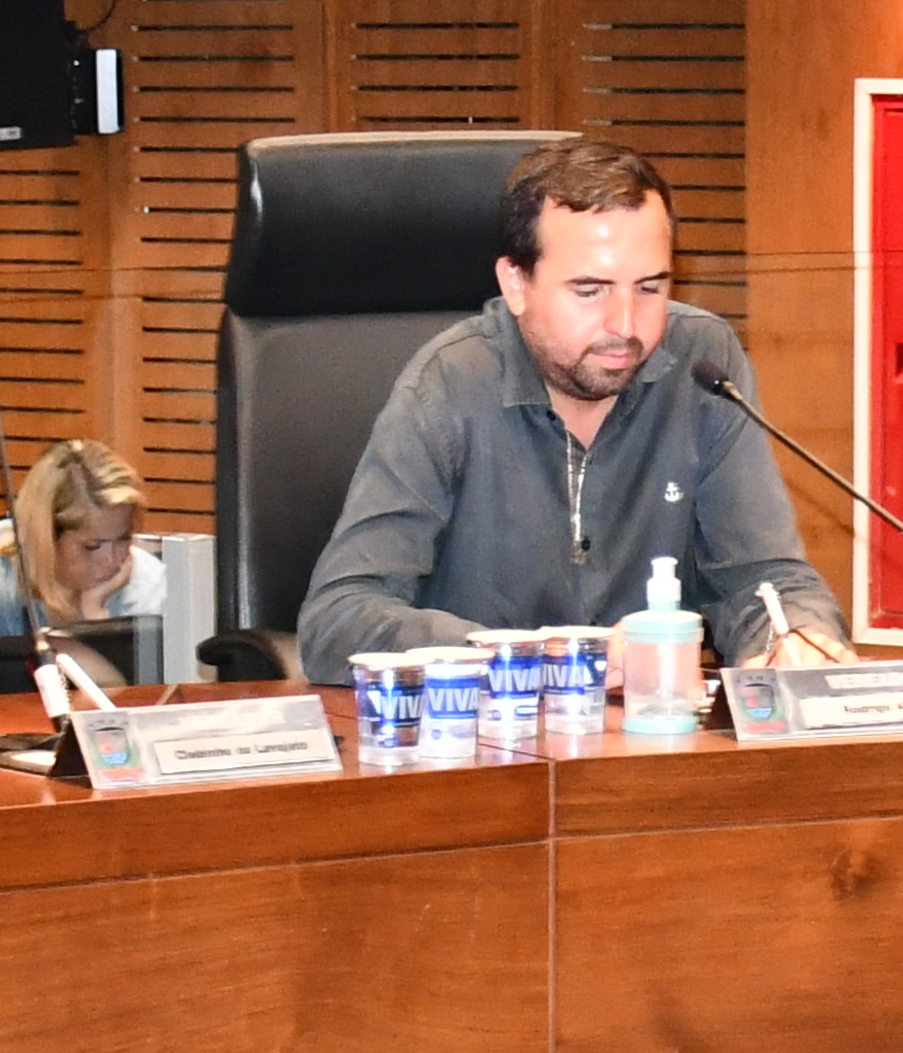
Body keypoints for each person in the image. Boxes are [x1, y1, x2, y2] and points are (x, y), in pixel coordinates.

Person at [296, 135, 853, 672]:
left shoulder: (702, 366)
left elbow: (765, 579)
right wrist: (560, 658)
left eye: (650, 288)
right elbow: (339, 620)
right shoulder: (448, 386)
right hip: (485, 724)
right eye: (590, 291)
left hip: (648, 725)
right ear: (516, 284)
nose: (626, 325)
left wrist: (796, 641)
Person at [0, 438, 166, 662]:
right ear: (44, 536)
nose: (112, 560)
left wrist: (96, 621)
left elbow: (155, 690)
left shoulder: (147, 578)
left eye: (123, 539)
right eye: (92, 547)